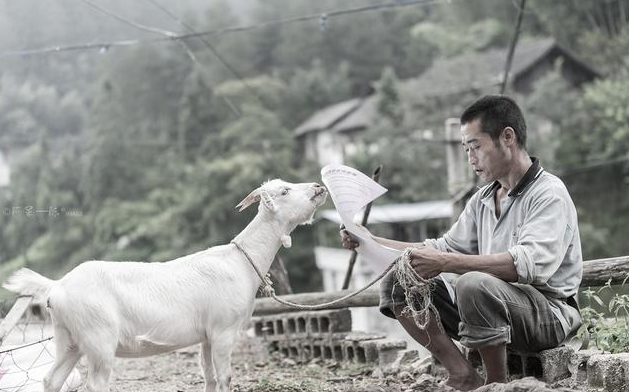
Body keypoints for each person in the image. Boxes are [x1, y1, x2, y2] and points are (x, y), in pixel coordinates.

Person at [340, 95, 582, 391]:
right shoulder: (482, 200)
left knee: (472, 283)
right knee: (398, 281)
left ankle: (496, 385)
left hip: (547, 316)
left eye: (476, 147)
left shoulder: (549, 193)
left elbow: (528, 265)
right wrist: (368, 239)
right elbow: (441, 249)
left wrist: (448, 263)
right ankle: (462, 374)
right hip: (491, 307)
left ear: (507, 137)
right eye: (466, 149)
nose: (470, 158)